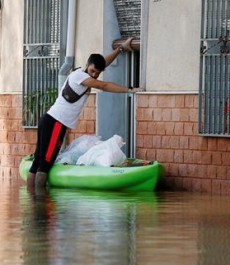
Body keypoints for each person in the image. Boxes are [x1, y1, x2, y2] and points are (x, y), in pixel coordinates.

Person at [27, 37, 143, 192]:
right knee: (44, 163)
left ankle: (32, 203)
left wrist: (120, 49)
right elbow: (103, 85)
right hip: (55, 122)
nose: (94, 75)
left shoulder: (83, 72)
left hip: (50, 120)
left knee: (39, 161)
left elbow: (102, 63)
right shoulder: (79, 77)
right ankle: (39, 206)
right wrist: (129, 89)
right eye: (92, 71)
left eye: (97, 72)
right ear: (87, 65)